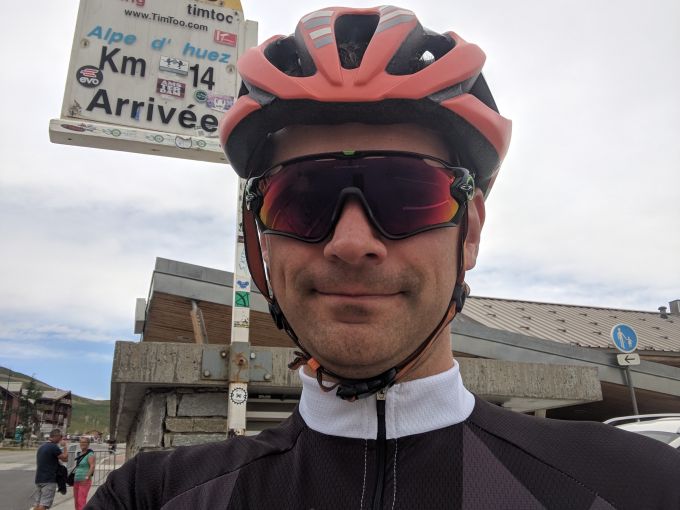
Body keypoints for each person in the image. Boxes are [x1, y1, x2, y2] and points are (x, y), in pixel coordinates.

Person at [88, 5, 680, 509]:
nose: (351, 243)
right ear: (259, 238)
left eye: (407, 193)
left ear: (470, 232)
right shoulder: (150, 497)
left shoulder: (642, 487)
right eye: (302, 198)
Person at [33, 428, 68, 510]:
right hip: (49, 479)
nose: (61, 439)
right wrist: (65, 446)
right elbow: (65, 458)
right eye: (61, 437)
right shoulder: (53, 447)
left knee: (37, 504)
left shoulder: (42, 447)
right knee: (44, 504)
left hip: (39, 478)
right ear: (56, 436)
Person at [72, 437, 96, 510]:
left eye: (84, 442)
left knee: (81, 501)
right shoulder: (79, 454)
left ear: (88, 444)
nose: (82, 444)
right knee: (76, 500)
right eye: (81, 442)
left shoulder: (90, 454)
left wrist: (86, 477)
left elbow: (92, 466)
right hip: (76, 479)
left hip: (84, 481)